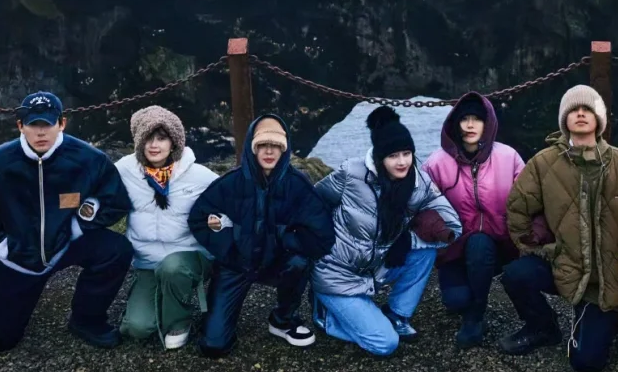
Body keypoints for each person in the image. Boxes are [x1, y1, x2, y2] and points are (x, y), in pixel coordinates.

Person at [0, 91, 134, 352]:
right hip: (19, 255)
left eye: (47, 124)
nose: (41, 132)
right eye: (33, 124)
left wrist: (78, 224)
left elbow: (115, 201)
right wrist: (2, 242)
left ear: (61, 123)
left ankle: (86, 319)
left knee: (117, 250)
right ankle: (7, 309)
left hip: (67, 242)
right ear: (20, 126)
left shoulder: (89, 159)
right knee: (1, 339)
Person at [498, 84, 618, 372]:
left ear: (599, 120)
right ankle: (542, 327)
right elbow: (518, 209)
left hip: (607, 281)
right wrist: (541, 250)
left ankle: (605, 318)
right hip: (564, 267)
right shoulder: (543, 163)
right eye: (573, 110)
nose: (580, 114)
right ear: (564, 120)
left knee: (586, 363)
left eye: (587, 109)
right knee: (516, 275)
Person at [313, 106, 462, 356]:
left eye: (407, 153)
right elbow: (314, 200)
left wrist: (409, 238)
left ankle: (396, 315)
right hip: (337, 274)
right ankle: (325, 315)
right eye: (393, 156)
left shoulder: (419, 184)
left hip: (375, 267)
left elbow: (453, 226)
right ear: (380, 158)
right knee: (385, 344)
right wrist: (320, 240)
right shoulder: (352, 174)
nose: (402, 161)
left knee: (423, 253)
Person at [188, 114, 334, 357]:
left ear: (284, 150)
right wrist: (229, 246)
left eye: (276, 146)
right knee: (213, 345)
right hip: (236, 263)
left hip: (276, 261)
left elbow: (322, 234)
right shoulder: (232, 182)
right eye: (263, 145)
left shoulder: (298, 184)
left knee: (298, 262)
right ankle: (217, 316)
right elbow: (199, 219)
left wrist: (284, 240)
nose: (269, 152)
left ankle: (283, 319)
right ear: (252, 148)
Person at [422, 91, 525, 347]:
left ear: (487, 123)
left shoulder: (508, 157)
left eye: (477, 119)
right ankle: (468, 295)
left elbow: (528, 199)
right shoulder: (437, 163)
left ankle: (475, 316)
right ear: (454, 123)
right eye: (464, 119)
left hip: (499, 245)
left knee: (480, 243)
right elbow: (420, 207)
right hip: (455, 247)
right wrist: (440, 231)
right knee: (455, 300)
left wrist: (527, 236)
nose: (470, 125)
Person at [113, 105, 219, 350]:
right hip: (147, 262)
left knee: (173, 269)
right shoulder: (124, 170)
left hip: (188, 258)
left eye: (161, 138)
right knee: (137, 329)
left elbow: (230, 204)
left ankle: (179, 321)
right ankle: (148, 299)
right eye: (147, 138)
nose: (154, 145)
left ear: (174, 143)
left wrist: (219, 221)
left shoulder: (199, 175)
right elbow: (95, 187)